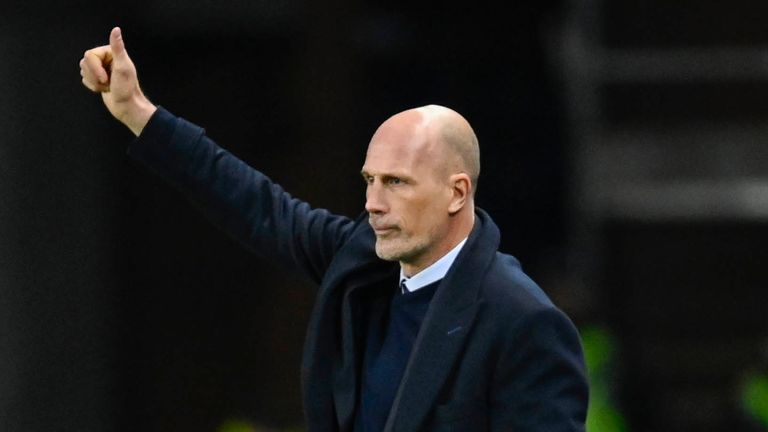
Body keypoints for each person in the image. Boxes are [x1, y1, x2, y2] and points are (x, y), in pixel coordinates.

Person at [80, 27, 589, 431]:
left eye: (396, 182)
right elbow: (257, 206)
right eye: (369, 180)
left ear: (457, 193)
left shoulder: (523, 321)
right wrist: (138, 113)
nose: (373, 203)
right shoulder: (363, 258)